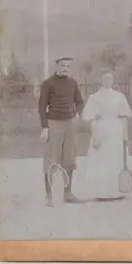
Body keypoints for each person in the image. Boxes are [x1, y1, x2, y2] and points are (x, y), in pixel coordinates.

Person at [38, 56, 84, 207]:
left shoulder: (72, 83)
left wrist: (77, 112)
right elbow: (41, 107)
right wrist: (45, 127)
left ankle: (68, 193)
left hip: (69, 124)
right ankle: (49, 195)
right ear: (56, 66)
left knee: (69, 159)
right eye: (62, 65)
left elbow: (80, 102)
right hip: (53, 124)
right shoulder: (48, 83)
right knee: (52, 160)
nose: (65, 68)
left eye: (68, 66)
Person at [81, 70, 132, 201]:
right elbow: (92, 118)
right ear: (101, 80)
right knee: (101, 159)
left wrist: (125, 134)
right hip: (102, 129)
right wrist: (95, 136)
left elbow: (124, 116)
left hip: (116, 130)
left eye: (110, 78)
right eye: (105, 78)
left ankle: (116, 191)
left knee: (116, 158)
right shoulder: (95, 98)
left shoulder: (119, 96)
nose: (108, 81)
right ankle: (102, 191)